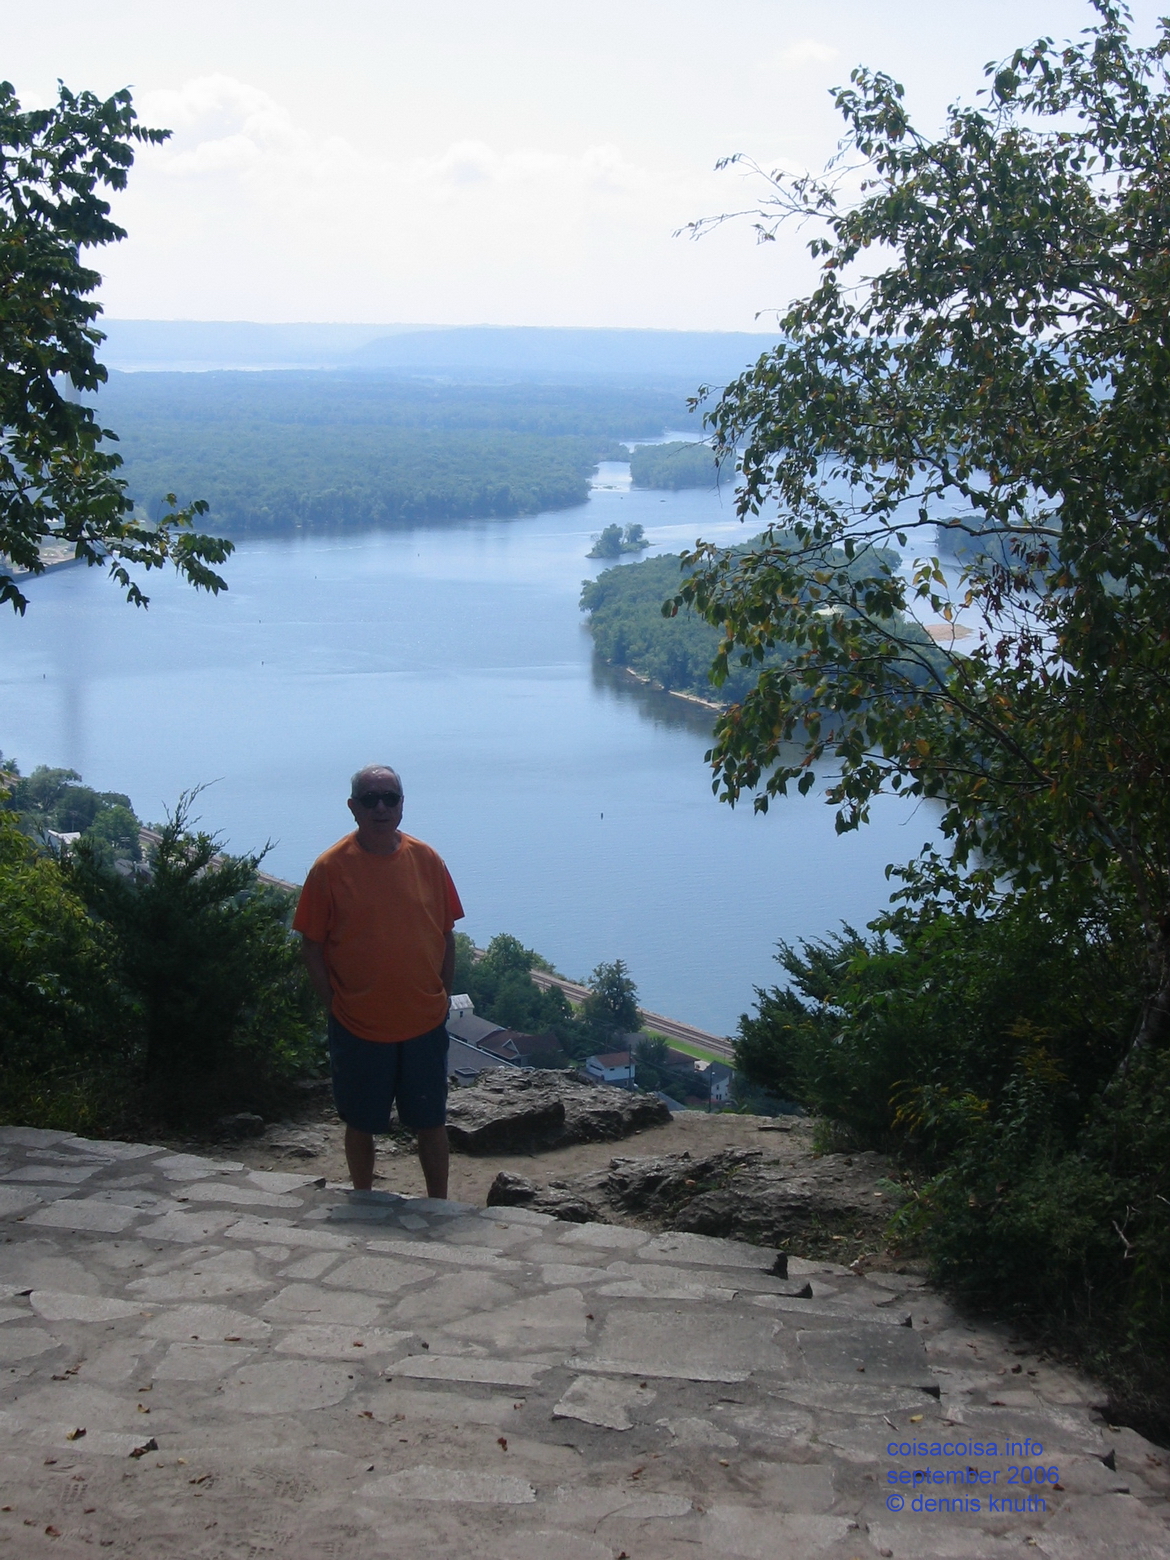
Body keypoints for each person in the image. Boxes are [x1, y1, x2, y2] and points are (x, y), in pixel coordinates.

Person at [293, 764, 463, 1198]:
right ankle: (363, 1196)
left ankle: (438, 1203)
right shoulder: (329, 868)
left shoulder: (427, 860)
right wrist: (333, 1002)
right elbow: (310, 945)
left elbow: (445, 933)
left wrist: (441, 995)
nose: (381, 807)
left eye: (391, 797)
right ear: (353, 808)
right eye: (371, 799)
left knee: (431, 1122)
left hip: (423, 1021)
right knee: (361, 1122)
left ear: (403, 805)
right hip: (358, 1024)